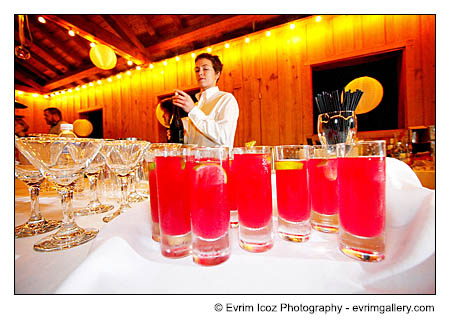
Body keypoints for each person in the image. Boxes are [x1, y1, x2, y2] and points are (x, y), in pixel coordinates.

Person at [172, 53, 239, 148]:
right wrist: (180, 136)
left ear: (217, 74)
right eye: (197, 70)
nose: (200, 73)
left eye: (205, 69)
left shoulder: (226, 99)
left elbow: (223, 136)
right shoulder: (196, 105)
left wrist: (192, 110)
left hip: (216, 162)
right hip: (194, 161)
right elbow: (194, 141)